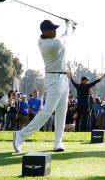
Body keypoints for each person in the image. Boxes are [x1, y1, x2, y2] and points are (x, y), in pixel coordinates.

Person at [13, 19, 75, 153]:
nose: (55, 31)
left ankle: (58, 142)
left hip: (63, 78)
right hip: (54, 79)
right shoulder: (49, 44)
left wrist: (71, 28)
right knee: (47, 111)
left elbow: (66, 37)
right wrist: (69, 25)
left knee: (61, 112)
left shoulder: (52, 40)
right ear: (45, 32)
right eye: (52, 29)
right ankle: (21, 135)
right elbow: (64, 39)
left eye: (55, 29)